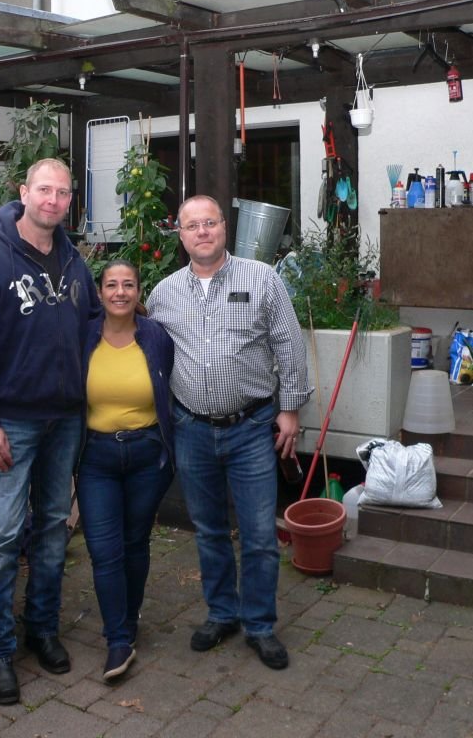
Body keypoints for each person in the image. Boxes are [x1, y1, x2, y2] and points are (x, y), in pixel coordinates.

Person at [0, 158, 100, 706]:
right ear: (24, 192)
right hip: (10, 422)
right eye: (44, 190)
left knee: (54, 530)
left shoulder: (75, 262)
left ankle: (42, 629)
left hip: (66, 421)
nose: (53, 201)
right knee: (4, 536)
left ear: (70, 200)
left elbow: (94, 328)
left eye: (63, 193)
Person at [148, 194, 311, 670]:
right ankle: (222, 613)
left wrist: (290, 410)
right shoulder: (163, 294)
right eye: (192, 225)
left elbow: (289, 344)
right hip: (191, 429)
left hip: (251, 428)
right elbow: (147, 351)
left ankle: (259, 625)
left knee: (259, 534)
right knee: (209, 530)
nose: (202, 232)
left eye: (210, 223)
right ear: (180, 235)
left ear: (225, 227)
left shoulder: (262, 279)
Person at [77, 259, 175, 683]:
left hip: (146, 455)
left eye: (128, 285)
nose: (120, 292)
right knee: (103, 550)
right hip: (96, 458)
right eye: (112, 285)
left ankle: (129, 622)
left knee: (135, 542)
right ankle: (117, 639)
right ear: (100, 293)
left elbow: (169, 383)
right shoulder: (83, 336)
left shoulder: (155, 337)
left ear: (138, 292)